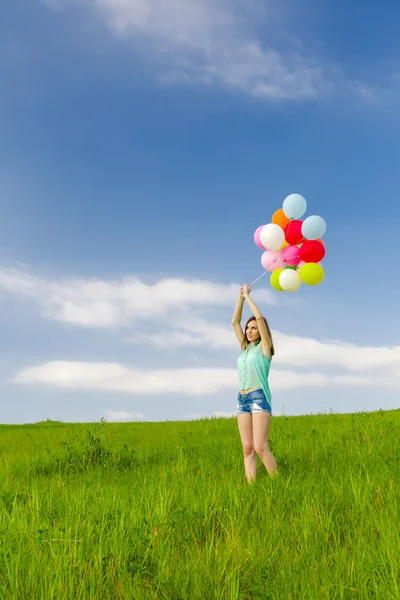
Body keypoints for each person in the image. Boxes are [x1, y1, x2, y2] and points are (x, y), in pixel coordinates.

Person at [231, 284, 278, 481]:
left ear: (261, 332)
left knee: (260, 447)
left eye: (254, 329)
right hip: (242, 399)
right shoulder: (245, 348)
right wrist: (240, 298)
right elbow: (235, 322)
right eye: (248, 328)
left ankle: (278, 484)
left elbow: (259, 318)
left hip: (259, 397)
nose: (249, 331)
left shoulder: (265, 348)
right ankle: (251, 488)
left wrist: (249, 297)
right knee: (247, 449)